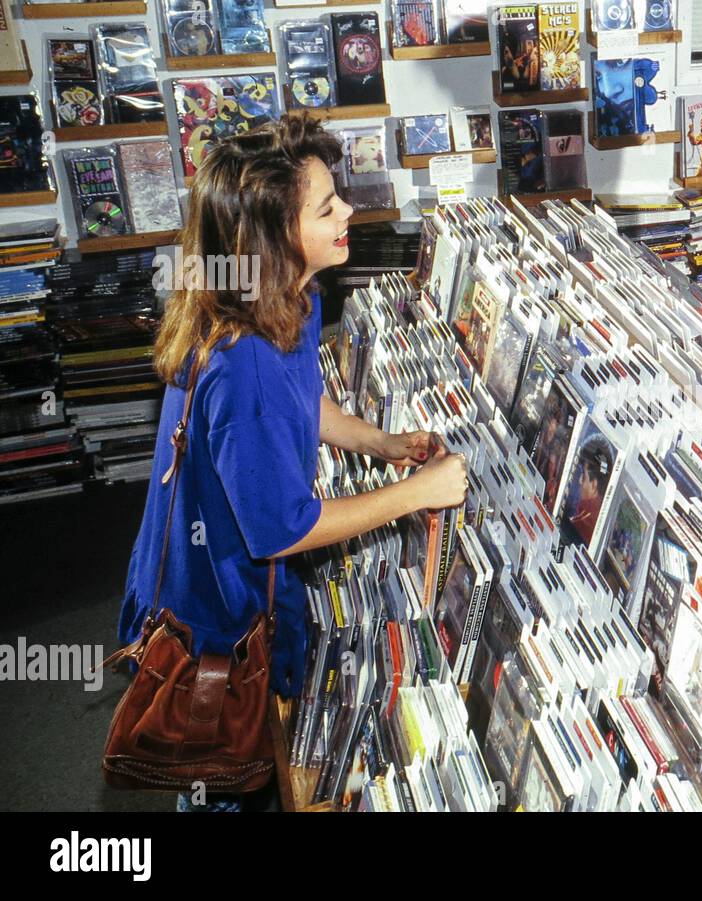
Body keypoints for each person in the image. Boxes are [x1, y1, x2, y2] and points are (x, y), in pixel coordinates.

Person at [117, 114, 469, 811]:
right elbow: (279, 528)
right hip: (212, 616)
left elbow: (301, 398)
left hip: (232, 583)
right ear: (274, 235)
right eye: (326, 207)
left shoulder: (286, 295)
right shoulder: (242, 358)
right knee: (222, 775)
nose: (349, 212)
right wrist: (414, 492)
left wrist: (383, 444)